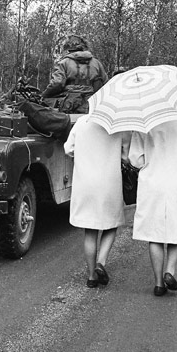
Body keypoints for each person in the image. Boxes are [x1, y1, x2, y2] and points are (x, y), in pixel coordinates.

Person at [128, 119, 177, 296]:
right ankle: (169, 271)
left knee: (155, 232)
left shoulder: (142, 127)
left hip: (153, 183)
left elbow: (136, 160)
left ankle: (159, 283)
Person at [64, 115, 130, 288]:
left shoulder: (81, 123)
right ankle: (101, 261)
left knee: (90, 230)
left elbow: (68, 149)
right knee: (111, 224)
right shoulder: (118, 126)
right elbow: (126, 157)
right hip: (109, 182)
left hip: (85, 182)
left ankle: (92, 276)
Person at [41, 34, 108, 99]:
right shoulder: (96, 63)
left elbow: (57, 83)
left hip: (68, 102)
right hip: (92, 102)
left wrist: (44, 95)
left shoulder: (64, 63)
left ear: (67, 48)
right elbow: (105, 84)